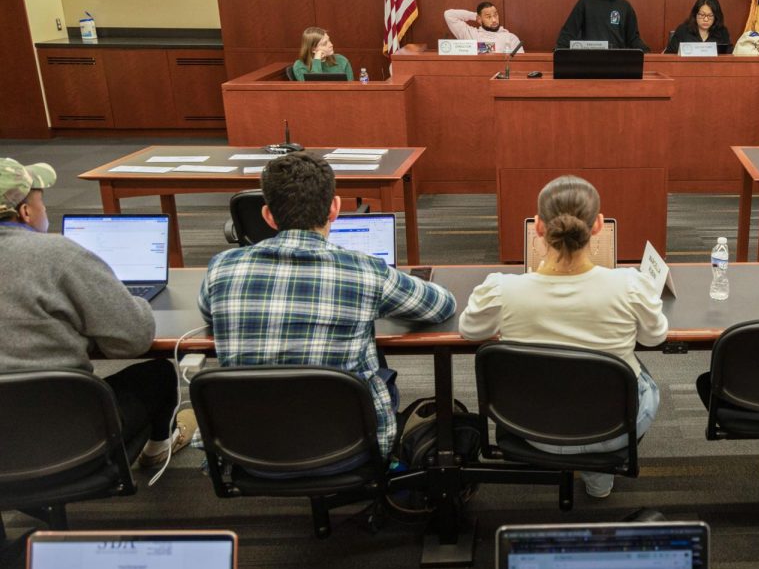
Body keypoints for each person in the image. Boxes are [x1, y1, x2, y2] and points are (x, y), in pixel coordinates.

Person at [199, 152, 456, 460]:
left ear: (268, 215)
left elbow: (207, 311)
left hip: (248, 448)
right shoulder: (364, 270)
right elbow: (441, 306)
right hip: (350, 447)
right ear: (335, 208)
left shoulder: (222, 267)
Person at [458, 175, 667, 498]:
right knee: (641, 377)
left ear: (538, 227)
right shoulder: (630, 285)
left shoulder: (502, 289)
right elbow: (654, 338)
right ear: (598, 225)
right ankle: (598, 475)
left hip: (529, 425)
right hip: (613, 429)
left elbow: (470, 330)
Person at [0, 157, 193, 468]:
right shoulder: (59, 254)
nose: (44, 210)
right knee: (157, 373)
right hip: (72, 438)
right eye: (41, 202)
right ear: (24, 212)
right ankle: (158, 450)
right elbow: (133, 340)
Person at [444, 3, 521, 54]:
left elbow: (520, 63)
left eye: (495, 15)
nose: (494, 20)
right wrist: (476, 17)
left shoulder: (511, 37)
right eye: (488, 17)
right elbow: (449, 15)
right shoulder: (470, 34)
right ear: (480, 19)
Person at [664, 0, 731, 54]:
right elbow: (669, 55)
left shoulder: (722, 32)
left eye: (710, 16)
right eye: (702, 15)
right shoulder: (683, 30)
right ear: (695, 14)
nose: (706, 19)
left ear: (716, 17)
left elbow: (729, 57)